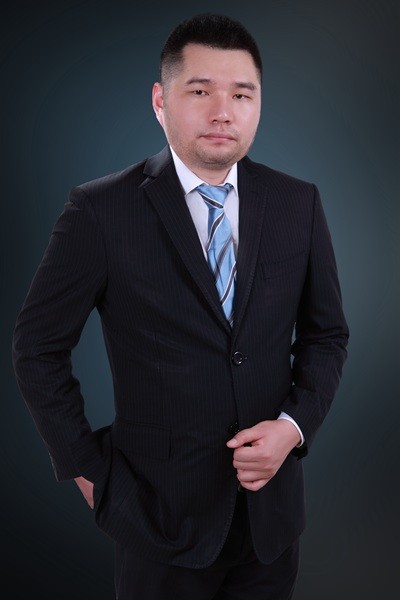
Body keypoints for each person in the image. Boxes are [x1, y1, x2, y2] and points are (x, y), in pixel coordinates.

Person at [12, 12, 349, 600]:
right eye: (200, 91)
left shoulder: (298, 203)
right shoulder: (100, 210)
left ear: (259, 104)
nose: (223, 111)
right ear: (160, 100)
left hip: (270, 522)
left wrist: (293, 428)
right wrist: (87, 470)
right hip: (154, 517)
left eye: (242, 94)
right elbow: (37, 347)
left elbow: (326, 336)